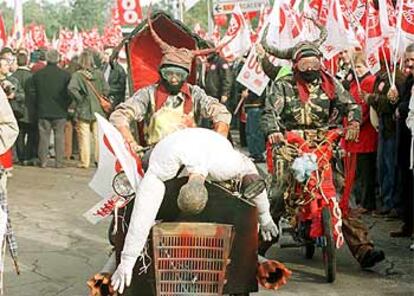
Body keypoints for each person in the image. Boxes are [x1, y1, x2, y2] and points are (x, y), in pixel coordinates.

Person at [259, 26, 385, 269]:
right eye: (305, 65)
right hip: (290, 144)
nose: (311, 70)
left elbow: (351, 106)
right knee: (277, 196)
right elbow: (269, 113)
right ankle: (255, 251)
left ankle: (363, 249)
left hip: (325, 142)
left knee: (339, 193)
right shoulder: (283, 85)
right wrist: (274, 131)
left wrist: (355, 122)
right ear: (296, 66)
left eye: (314, 63)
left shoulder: (331, 82)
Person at [110, 128, 278, 294]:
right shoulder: (163, 164)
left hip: (213, 142)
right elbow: (142, 214)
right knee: (144, 181)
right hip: (171, 142)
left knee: (245, 184)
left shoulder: (226, 164)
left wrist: (265, 216)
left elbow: (251, 173)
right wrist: (128, 260)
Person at [109, 14, 231, 149]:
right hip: (156, 154)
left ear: (186, 76)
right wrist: (131, 143)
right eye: (168, 74)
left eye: (179, 75)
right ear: (161, 73)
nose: (173, 79)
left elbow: (221, 112)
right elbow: (119, 115)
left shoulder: (195, 93)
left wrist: (219, 138)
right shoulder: (149, 93)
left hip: (190, 155)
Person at [343, 52, 378, 213]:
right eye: (354, 66)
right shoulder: (355, 82)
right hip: (355, 134)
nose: (356, 69)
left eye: (359, 66)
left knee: (365, 172)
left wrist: (355, 123)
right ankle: (359, 200)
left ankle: (366, 203)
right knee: (357, 171)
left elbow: (364, 107)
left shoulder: (369, 81)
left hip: (364, 134)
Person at [68, 50, 109, 168]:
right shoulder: (99, 74)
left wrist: (80, 99)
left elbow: (71, 88)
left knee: (84, 137)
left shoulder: (78, 75)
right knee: (97, 137)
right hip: (98, 109)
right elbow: (107, 89)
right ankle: (98, 159)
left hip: (84, 109)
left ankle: (84, 161)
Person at [33, 49, 71, 168]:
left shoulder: (38, 75)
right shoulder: (65, 75)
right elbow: (69, 93)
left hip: (43, 110)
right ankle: (59, 162)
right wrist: (66, 105)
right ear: (58, 59)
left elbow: (34, 93)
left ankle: (43, 161)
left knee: (43, 137)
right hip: (60, 110)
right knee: (59, 137)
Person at [395, 43, 414, 239]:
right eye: (407, 60)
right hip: (406, 140)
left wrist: (401, 107)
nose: (409, 65)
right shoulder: (408, 81)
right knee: (406, 183)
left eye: (412, 61)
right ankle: (408, 224)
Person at [12, 52, 38, 165]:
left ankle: (20, 155)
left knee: (19, 134)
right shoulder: (32, 77)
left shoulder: (12, 77)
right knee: (31, 134)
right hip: (30, 109)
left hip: (16, 110)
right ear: (26, 61)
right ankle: (28, 155)